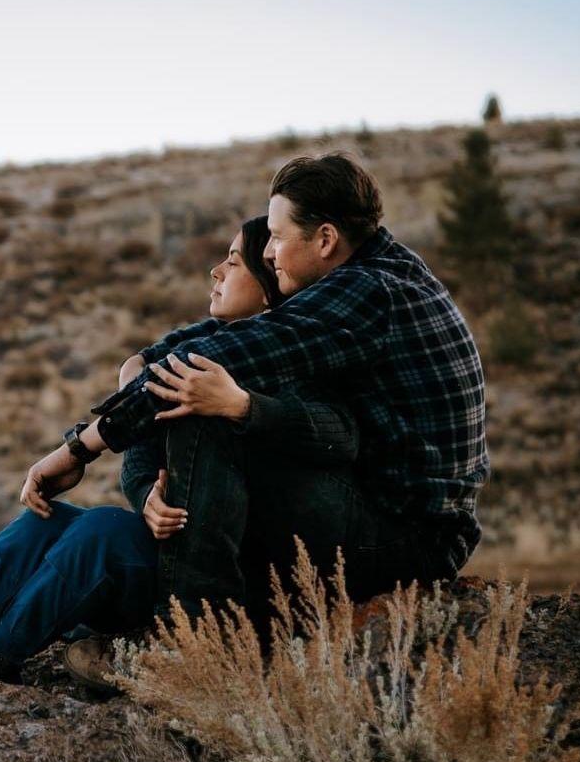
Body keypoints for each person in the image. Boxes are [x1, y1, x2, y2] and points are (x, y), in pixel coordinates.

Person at [0, 213, 359, 714]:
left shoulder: (292, 368)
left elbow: (323, 447)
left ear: (271, 278)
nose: (215, 271)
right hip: (166, 549)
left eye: (232, 262)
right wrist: (146, 496)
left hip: (223, 577)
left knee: (98, 533)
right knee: (42, 521)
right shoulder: (199, 352)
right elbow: (139, 446)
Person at [81, 149, 488, 626]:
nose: (270, 252)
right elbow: (201, 347)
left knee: (207, 410)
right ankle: (206, 625)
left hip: (410, 538)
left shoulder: (367, 291)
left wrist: (79, 449)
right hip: (375, 507)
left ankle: (195, 636)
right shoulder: (380, 270)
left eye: (276, 237)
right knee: (208, 397)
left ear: (325, 239)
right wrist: (140, 370)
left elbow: (218, 357)